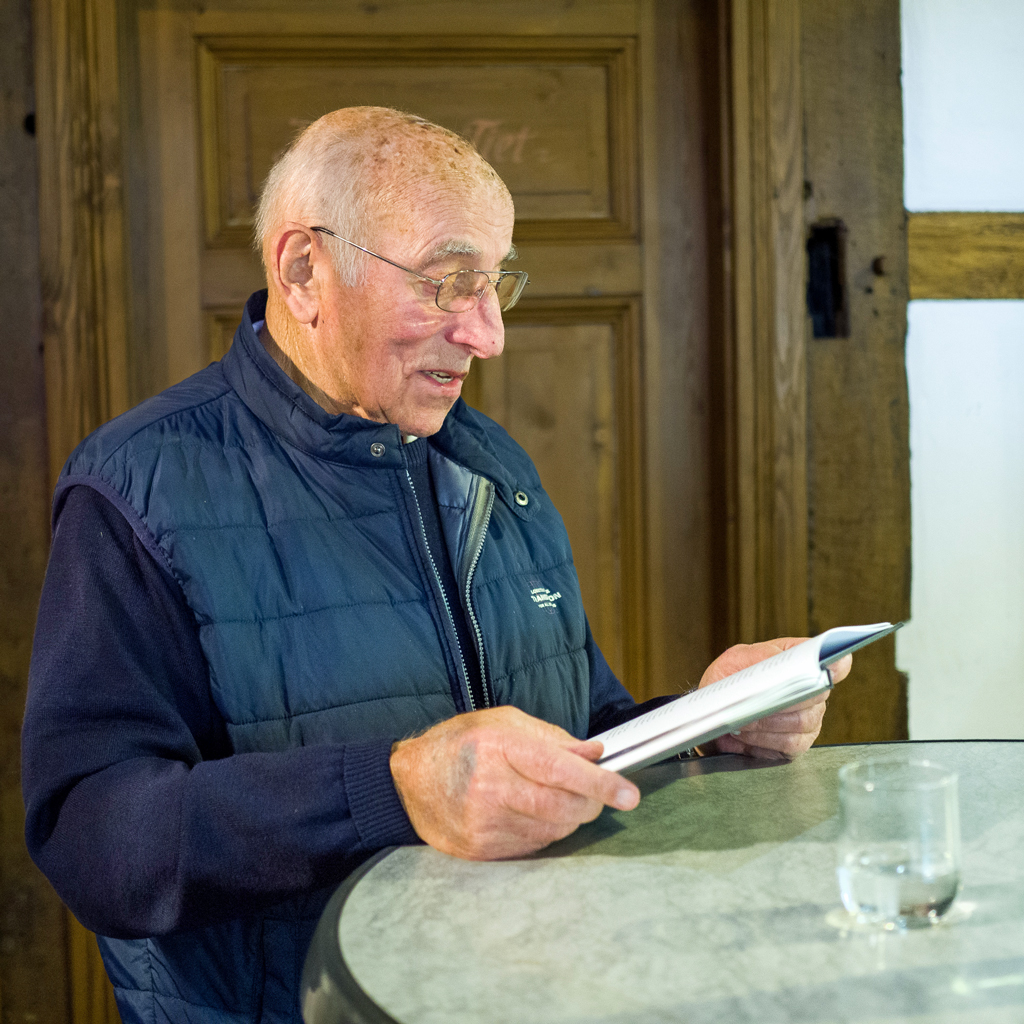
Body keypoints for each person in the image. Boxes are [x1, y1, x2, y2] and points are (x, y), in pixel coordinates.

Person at [22, 107, 844, 1023]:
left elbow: (579, 732)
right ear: (303, 272)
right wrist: (396, 789)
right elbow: (94, 839)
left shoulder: (488, 460)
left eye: (496, 284)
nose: (488, 334)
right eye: (450, 282)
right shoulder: (138, 488)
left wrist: (707, 727)